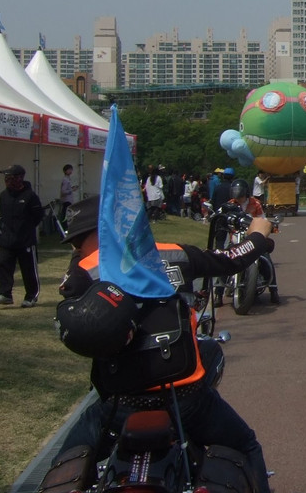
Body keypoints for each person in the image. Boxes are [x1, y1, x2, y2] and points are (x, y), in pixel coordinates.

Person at [53, 195, 276, 493]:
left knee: (64, 463)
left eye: (79, 240)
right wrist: (259, 235)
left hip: (119, 404)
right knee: (247, 445)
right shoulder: (173, 255)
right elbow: (232, 259)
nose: (76, 248)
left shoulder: (83, 273)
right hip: (186, 400)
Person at [0, 164, 43, 307]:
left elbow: (38, 215)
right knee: (3, 267)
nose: (7, 180)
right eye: (6, 178)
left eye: (10, 177)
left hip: (25, 241)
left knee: (28, 270)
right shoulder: (3, 195)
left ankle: (31, 296)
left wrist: (25, 229)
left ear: (19, 178)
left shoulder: (30, 196)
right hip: (7, 240)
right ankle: (4, 294)